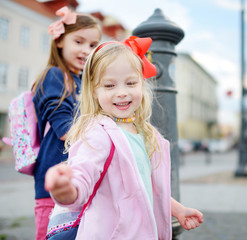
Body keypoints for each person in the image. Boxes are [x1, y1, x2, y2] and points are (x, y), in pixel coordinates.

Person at [44, 36, 203, 239]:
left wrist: (177, 209)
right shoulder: (97, 133)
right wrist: (65, 189)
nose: (121, 92)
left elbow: (147, 188)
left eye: (130, 83)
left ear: (141, 85)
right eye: (109, 86)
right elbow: (81, 178)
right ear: (94, 91)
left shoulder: (147, 134)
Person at [31, 6, 101, 240]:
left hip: (78, 180)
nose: (86, 50)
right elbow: (64, 130)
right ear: (60, 40)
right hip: (55, 179)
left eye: (93, 46)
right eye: (79, 41)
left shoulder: (81, 80)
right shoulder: (54, 75)